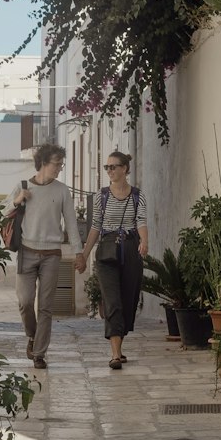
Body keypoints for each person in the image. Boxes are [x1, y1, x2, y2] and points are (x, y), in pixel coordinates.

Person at [10, 143, 82, 370]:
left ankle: (39, 353)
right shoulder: (22, 186)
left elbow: (71, 222)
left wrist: (79, 252)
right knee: (25, 302)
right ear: (42, 162)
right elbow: (2, 211)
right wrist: (17, 200)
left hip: (52, 254)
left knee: (46, 307)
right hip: (26, 251)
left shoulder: (62, 190)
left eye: (61, 164)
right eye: (56, 164)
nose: (59, 168)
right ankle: (32, 336)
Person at [75, 150, 148, 370]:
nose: (110, 171)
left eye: (113, 167)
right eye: (107, 167)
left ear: (125, 168)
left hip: (130, 249)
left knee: (127, 301)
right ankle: (115, 354)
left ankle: (119, 347)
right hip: (107, 252)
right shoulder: (101, 196)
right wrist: (85, 255)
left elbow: (141, 220)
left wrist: (144, 241)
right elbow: (95, 226)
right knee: (112, 301)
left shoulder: (137, 195)